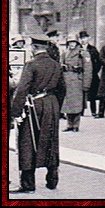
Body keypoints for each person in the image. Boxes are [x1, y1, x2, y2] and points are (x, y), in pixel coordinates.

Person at [10, 34, 66, 193]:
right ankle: (52, 179)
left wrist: (15, 112)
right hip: (51, 104)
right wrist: (55, 106)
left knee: (27, 141)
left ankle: (28, 184)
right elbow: (62, 89)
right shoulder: (56, 65)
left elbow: (22, 89)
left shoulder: (31, 65)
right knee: (51, 140)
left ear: (34, 48)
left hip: (33, 106)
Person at [61, 34, 92, 132]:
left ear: (77, 43)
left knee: (77, 104)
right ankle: (69, 124)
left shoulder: (83, 53)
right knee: (68, 104)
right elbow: (60, 66)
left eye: (73, 42)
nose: (72, 44)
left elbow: (88, 69)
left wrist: (86, 84)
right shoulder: (65, 53)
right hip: (66, 80)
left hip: (77, 81)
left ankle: (76, 125)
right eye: (70, 42)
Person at [79, 31, 102, 117]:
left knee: (93, 94)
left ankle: (93, 111)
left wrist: (94, 71)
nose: (83, 40)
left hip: (92, 74)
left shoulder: (93, 49)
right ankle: (80, 111)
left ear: (88, 38)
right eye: (82, 38)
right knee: (81, 93)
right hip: (81, 74)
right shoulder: (78, 49)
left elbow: (98, 61)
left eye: (85, 38)